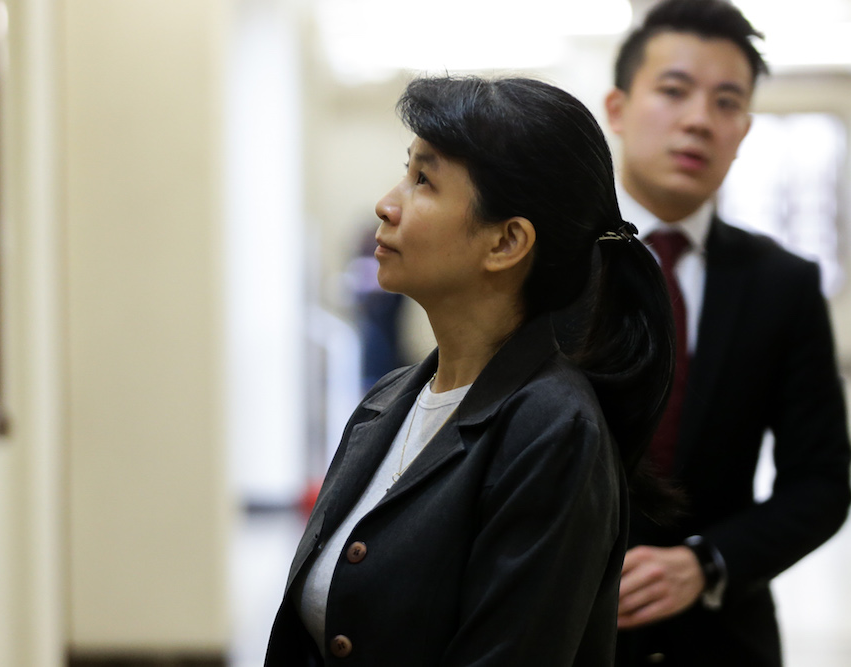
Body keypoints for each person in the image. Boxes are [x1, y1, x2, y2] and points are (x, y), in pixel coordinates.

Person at [265, 75, 676, 666]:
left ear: (506, 242)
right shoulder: (386, 402)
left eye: (423, 180)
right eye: (407, 170)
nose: (386, 203)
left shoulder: (553, 428)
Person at [604, 1, 851, 665]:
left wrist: (706, 562)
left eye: (726, 102)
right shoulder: (546, 264)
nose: (698, 120)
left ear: (743, 129)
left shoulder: (783, 284)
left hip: (719, 638)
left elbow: (822, 482)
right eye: (674, 90)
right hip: (558, 627)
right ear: (618, 109)